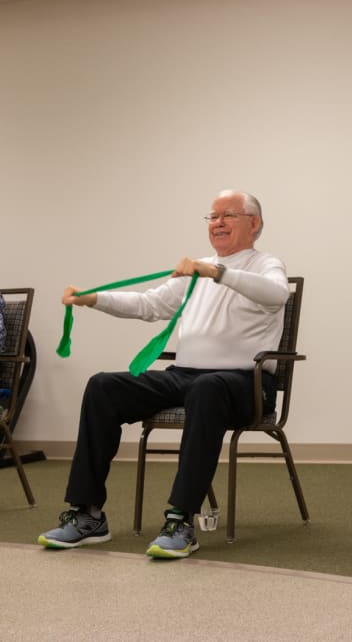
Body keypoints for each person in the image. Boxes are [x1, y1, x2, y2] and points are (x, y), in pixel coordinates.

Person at [38, 189, 289, 559]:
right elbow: (150, 304)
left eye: (228, 215)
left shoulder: (265, 264)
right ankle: (87, 514)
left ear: (254, 223)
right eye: (213, 216)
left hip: (244, 384)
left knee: (207, 388)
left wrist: (216, 272)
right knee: (103, 386)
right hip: (186, 376)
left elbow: (276, 296)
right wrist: (93, 299)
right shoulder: (197, 268)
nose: (217, 222)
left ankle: (180, 520)